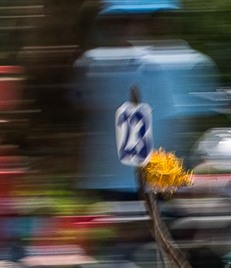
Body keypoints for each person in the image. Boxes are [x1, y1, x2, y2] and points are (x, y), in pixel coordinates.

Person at [73, 0, 219, 197]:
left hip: (151, 182)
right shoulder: (92, 63)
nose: (134, 27)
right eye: (124, 21)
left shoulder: (94, 62)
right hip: (122, 182)